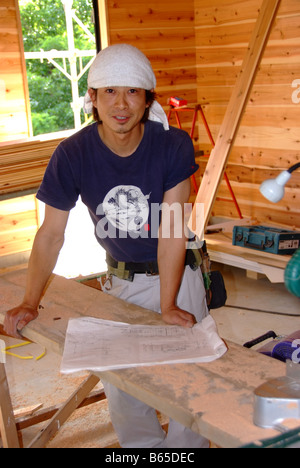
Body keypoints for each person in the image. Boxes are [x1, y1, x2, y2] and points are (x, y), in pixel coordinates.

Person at [4, 44, 209, 448]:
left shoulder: (172, 145)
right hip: (120, 282)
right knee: (124, 390)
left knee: (192, 384)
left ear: (147, 98)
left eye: (133, 91)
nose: (121, 103)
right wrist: (30, 301)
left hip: (178, 277)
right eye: (109, 91)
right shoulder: (73, 154)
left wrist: (169, 305)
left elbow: (171, 229)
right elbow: (50, 234)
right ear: (92, 98)